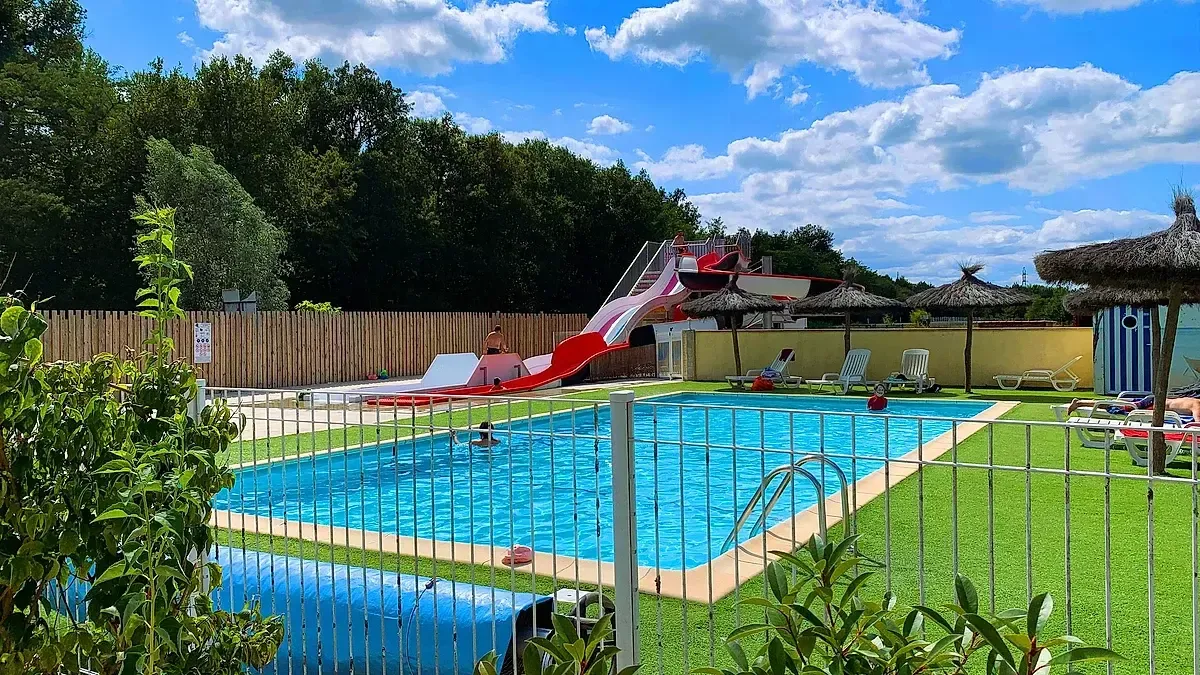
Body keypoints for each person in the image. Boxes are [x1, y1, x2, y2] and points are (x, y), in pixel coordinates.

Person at [1066, 394, 1200, 418]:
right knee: (1114, 406)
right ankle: (1079, 403)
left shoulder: (1195, 401)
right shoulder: (1197, 405)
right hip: (1152, 405)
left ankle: (1080, 402)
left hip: (1153, 403)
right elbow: (1198, 422)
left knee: (1116, 404)